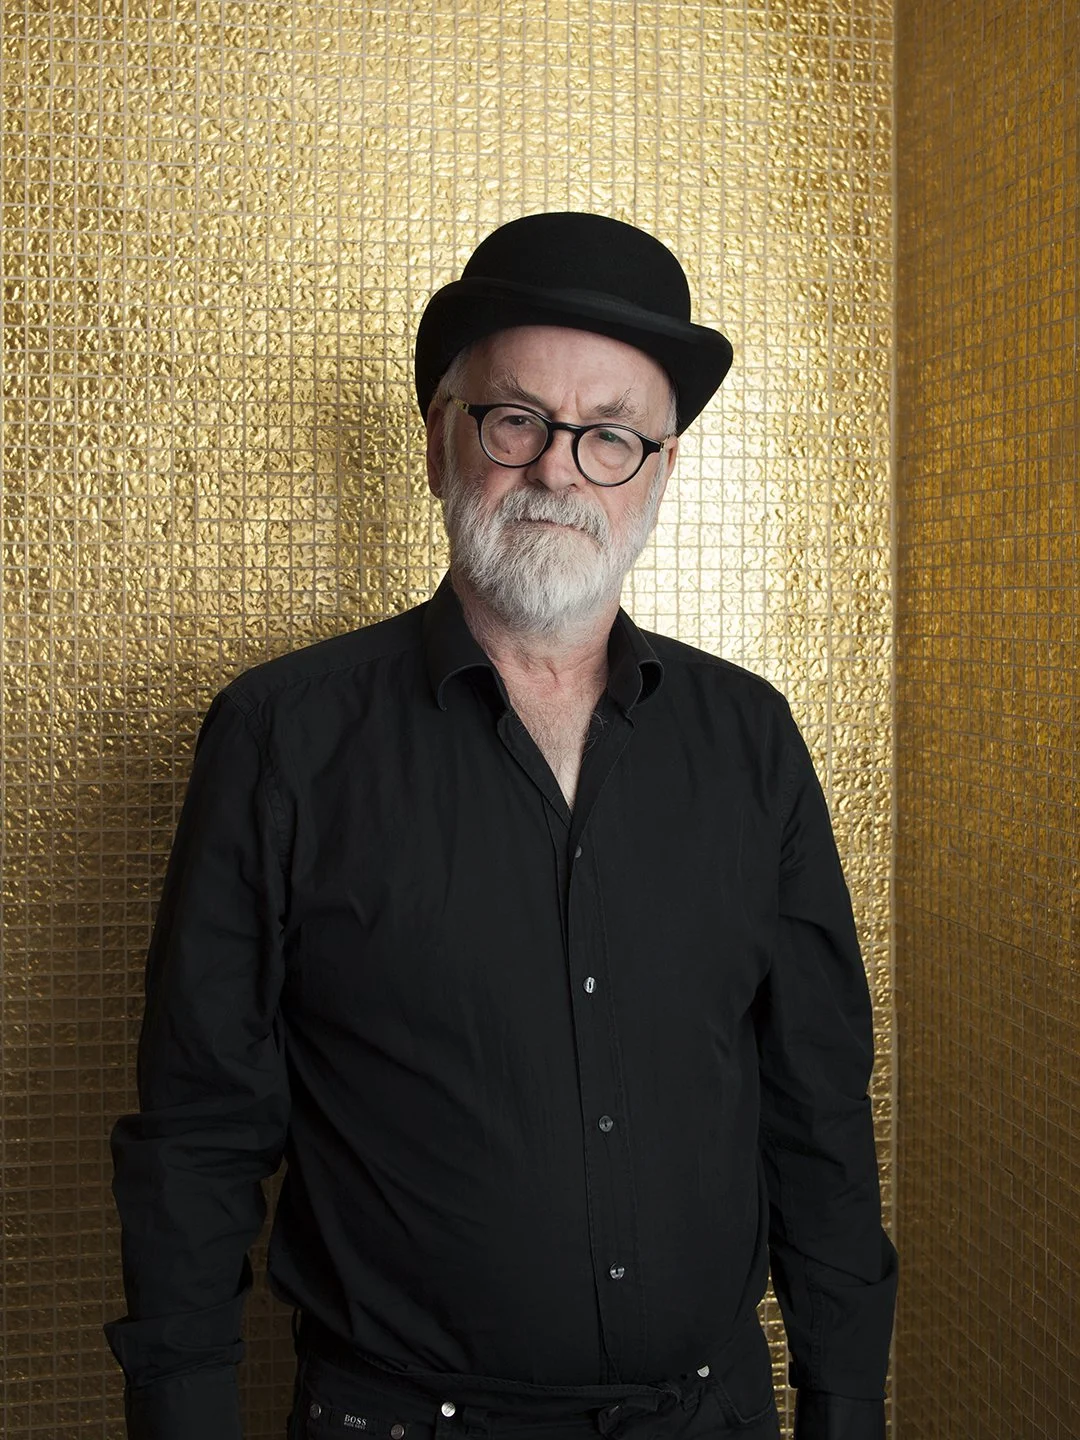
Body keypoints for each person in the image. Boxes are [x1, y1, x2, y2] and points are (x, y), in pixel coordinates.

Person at [106, 212, 897, 1440]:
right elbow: (197, 1132)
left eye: (611, 436)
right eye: (517, 420)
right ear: (441, 439)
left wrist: (847, 1406)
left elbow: (819, 1114)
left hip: (709, 1418)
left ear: (660, 474)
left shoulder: (753, 741)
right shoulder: (280, 737)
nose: (559, 473)